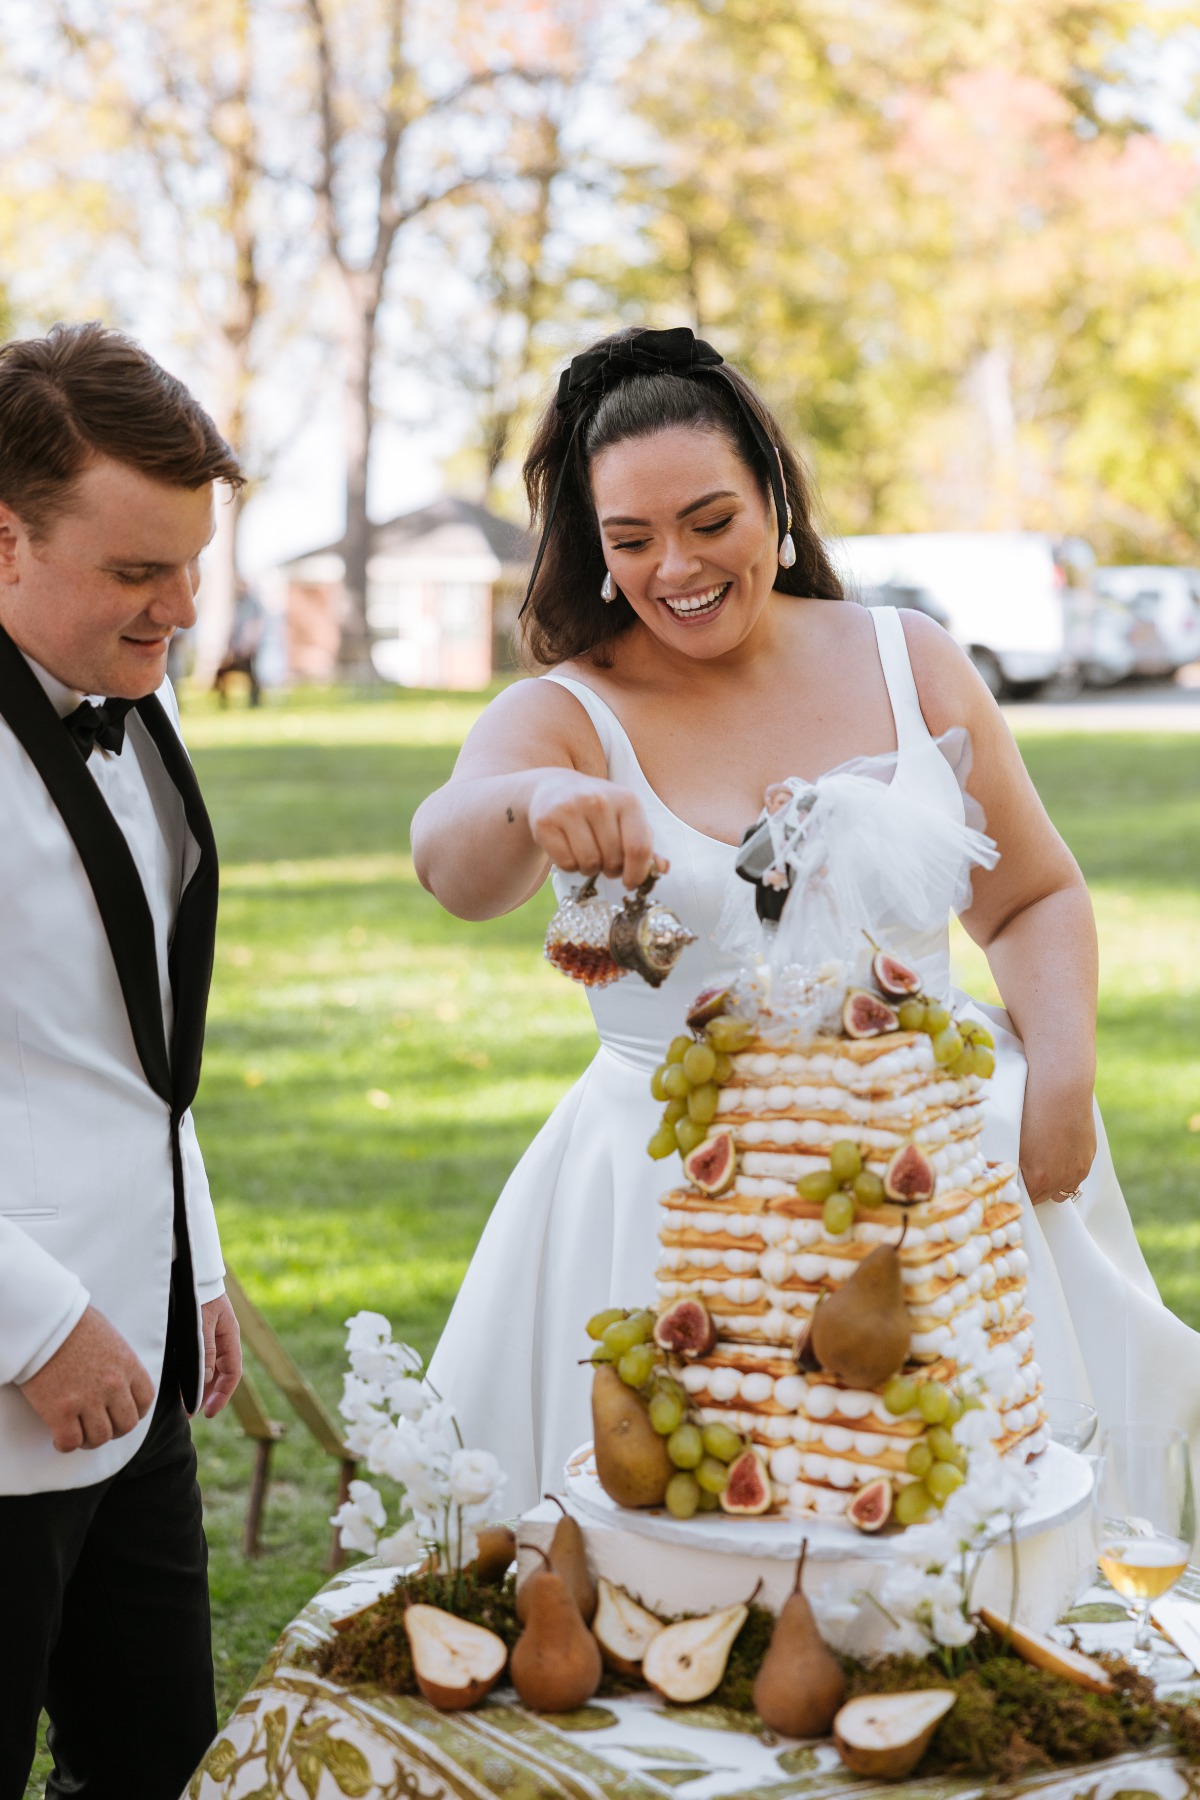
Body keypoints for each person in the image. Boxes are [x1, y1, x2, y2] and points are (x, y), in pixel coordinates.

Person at [412, 325, 1200, 1515]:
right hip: (667, 1206)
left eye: (709, 520)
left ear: (774, 498)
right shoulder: (568, 712)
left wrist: (1065, 1084)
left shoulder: (909, 657)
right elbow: (452, 861)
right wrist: (531, 799)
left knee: (973, 1535)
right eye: (632, 540)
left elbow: (1035, 894)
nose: (675, 565)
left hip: (937, 1178)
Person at [0, 322, 244, 1799]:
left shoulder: (130, 706)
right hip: (24, 1365)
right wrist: (35, 1326)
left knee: (158, 1760)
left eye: (192, 568)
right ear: (5, 540)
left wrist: (193, 1266)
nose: (178, 612)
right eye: (136, 573)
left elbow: (129, 1047)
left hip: (139, 1353)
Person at [213, 581, 264, 706]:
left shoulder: (253, 603)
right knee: (221, 673)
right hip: (234, 648)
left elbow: (255, 625)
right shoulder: (235, 603)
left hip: (248, 647)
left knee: (252, 676)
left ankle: (255, 701)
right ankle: (222, 700)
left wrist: (250, 645)